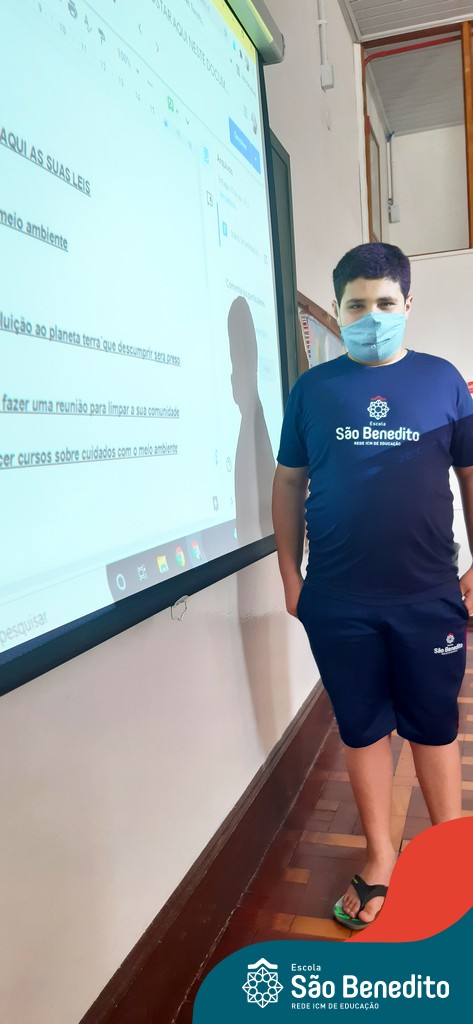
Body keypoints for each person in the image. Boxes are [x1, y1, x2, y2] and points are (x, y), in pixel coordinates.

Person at [272, 242, 473, 931]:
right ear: (337, 309)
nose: (371, 317)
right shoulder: (312, 391)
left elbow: (470, 478)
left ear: (407, 304)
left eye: (385, 303)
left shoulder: (443, 381)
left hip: (428, 594)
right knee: (362, 729)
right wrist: (290, 576)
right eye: (356, 305)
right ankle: (381, 855)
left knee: (433, 725)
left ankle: (449, 853)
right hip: (339, 600)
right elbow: (289, 483)